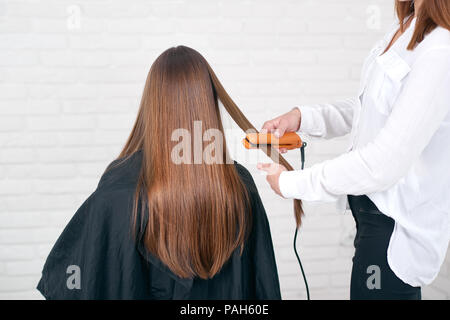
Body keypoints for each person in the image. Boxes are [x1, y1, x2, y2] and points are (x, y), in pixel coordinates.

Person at [37, 46, 281, 300]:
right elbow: (263, 288)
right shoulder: (239, 186)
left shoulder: (118, 191)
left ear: (152, 106)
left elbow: (77, 280)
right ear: (208, 104)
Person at [258, 0, 450, 299]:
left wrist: (291, 183)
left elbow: (383, 164)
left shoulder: (440, 49)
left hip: (393, 234)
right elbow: (367, 108)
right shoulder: (404, 29)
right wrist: (303, 117)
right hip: (369, 218)